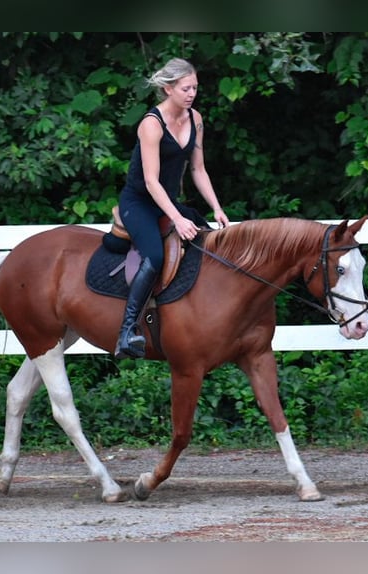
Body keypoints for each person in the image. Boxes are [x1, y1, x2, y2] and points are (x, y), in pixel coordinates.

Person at [114, 57, 230, 359]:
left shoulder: (196, 119)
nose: (191, 94)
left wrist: (216, 208)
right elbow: (152, 182)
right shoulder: (151, 125)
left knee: (207, 242)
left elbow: (198, 170)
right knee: (153, 255)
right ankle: (127, 331)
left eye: (195, 88)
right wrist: (177, 219)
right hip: (139, 202)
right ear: (168, 89)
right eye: (185, 88)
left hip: (168, 204)